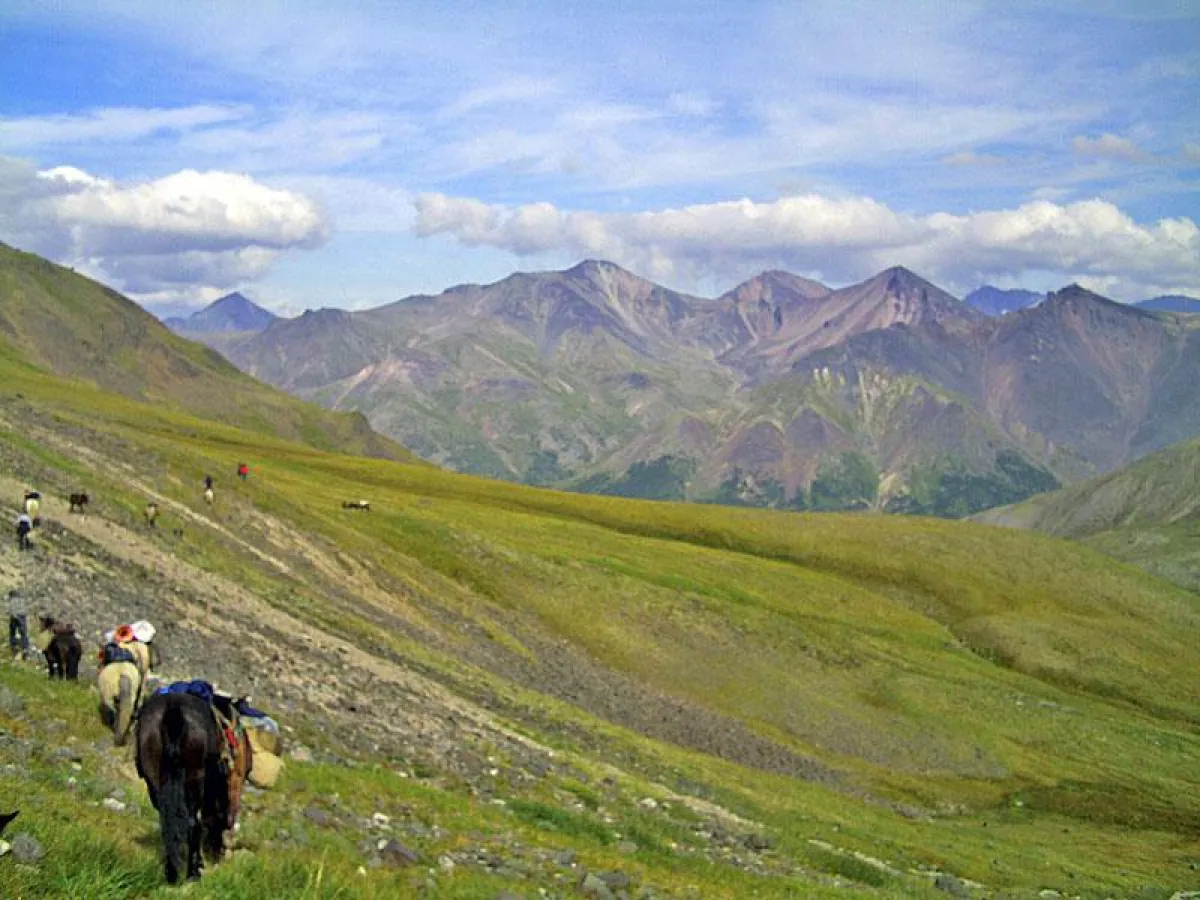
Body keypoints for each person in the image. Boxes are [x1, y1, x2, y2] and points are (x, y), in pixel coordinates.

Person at [7, 589, 29, 660]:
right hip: (22, 616)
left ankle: (14, 647)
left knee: (12, 632)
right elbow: (26, 610)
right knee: (23, 633)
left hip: (15, 616)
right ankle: (25, 648)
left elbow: (11, 609)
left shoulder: (12, 600)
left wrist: (14, 615)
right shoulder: (21, 600)